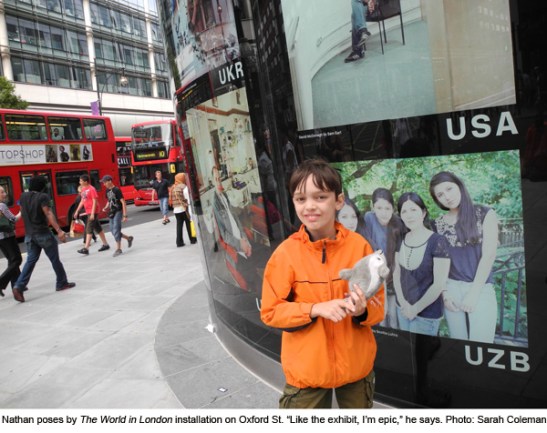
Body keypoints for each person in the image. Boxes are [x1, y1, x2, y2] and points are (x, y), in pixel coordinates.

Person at [260, 159, 384, 409]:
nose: (310, 206)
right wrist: (314, 309)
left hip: (356, 366)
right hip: (306, 372)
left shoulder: (359, 246)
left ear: (338, 201)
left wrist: (362, 311)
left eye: (320, 197)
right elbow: (270, 312)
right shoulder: (285, 254)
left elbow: (379, 304)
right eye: (301, 199)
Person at [429, 171, 499, 343]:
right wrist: (444, 293)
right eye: (440, 195)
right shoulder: (436, 225)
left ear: (459, 186)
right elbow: (437, 264)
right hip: (451, 289)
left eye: (449, 189)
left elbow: (489, 255)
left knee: (481, 343)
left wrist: (474, 293)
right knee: (458, 343)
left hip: (480, 287)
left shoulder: (485, 214)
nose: (447, 197)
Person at [393, 192, 450, 336]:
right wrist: (402, 303)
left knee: (421, 350)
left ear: (423, 213)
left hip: (427, 315)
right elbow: (396, 272)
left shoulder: (438, 241)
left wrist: (415, 309)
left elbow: (439, 284)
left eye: (413, 209)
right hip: (402, 309)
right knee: (407, 348)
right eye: (404, 211)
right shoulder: (400, 238)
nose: (409, 215)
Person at [12, 176, 75, 302]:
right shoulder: (43, 197)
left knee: (30, 261)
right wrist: (59, 231)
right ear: (42, 187)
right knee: (54, 259)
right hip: (43, 233)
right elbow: (48, 213)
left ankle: (19, 286)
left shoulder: (23, 196)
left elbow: (22, 212)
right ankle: (61, 283)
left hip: (29, 235)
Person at [362, 188, 404, 329]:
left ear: (393, 208)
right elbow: (369, 246)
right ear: (373, 207)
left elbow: (399, 255)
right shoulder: (369, 218)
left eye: (387, 208)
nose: (383, 212)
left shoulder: (398, 223)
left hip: (394, 276)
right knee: (381, 316)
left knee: (393, 318)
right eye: (379, 208)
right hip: (376, 276)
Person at [211, 166, 252, 257]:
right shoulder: (215, 203)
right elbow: (224, 234)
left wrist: (245, 240)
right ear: (213, 182)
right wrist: (239, 244)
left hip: (241, 241)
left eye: (219, 178)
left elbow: (236, 219)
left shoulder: (224, 195)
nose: (218, 182)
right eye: (216, 179)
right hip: (235, 247)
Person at [73, 174, 110, 255]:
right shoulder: (83, 189)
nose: (79, 182)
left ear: (86, 182)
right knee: (98, 228)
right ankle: (105, 244)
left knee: (89, 228)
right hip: (89, 211)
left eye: (81, 181)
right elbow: (82, 201)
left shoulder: (92, 189)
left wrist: (93, 213)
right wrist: (77, 211)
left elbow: (94, 201)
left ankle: (86, 248)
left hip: (93, 211)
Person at [101, 175, 134, 257]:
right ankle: (128, 238)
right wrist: (105, 207)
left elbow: (123, 202)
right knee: (113, 231)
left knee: (116, 230)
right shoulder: (107, 190)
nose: (104, 184)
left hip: (118, 211)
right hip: (111, 212)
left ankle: (118, 249)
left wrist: (125, 215)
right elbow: (109, 201)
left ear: (109, 181)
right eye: (103, 183)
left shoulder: (116, 190)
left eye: (105, 182)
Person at [0, 186, 22, 298]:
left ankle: (17, 284)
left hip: (1, 238)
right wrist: (21, 212)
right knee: (17, 260)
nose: (5, 194)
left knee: (12, 260)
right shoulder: (2, 206)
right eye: (2, 192)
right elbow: (13, 219)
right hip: (7, 236)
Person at [170, 173, 197, 247]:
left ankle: (179, 242)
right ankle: (192, 239)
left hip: (176, 210)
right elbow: (187, 197)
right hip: (184, 209)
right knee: (188, 224)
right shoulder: (184, 186)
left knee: (179, 226)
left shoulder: (173, 187)